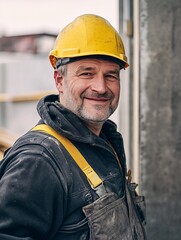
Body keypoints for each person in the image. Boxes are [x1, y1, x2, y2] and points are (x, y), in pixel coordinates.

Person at [0, 14, 146, 239]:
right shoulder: (38, 161)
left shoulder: (105, 141)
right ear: (59, 80)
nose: (100, 87)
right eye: (87, 73)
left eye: (111, 75)